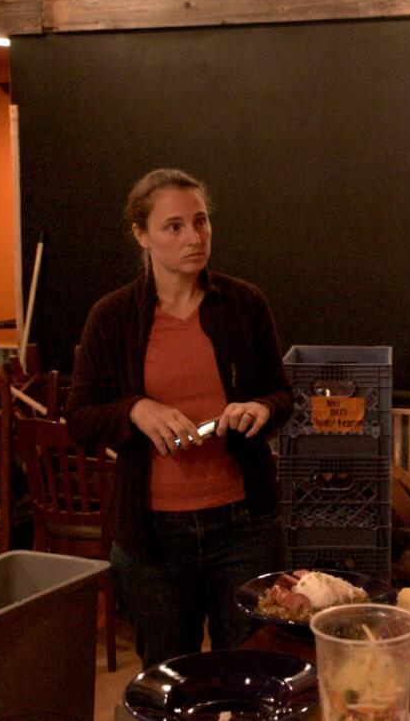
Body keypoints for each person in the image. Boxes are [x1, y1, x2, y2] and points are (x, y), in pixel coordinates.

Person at [65, 168, 292, 667]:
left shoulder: (244, 303)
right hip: (154, 537)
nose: (194, 237)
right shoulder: (112, 316)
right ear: (141, 235)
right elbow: (79, 417)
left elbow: (282, 395)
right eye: (174, 227)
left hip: (244, 527)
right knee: (171, 678)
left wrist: (260, 409)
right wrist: (135, 410)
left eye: (201, 222)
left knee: (252, 669)